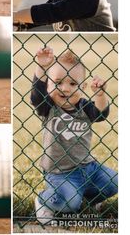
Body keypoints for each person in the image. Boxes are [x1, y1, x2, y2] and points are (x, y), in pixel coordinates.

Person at [31, 46, 118, 224]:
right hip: (60, 172)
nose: (65, 88)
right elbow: (36, 97)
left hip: (89, 168)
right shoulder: (48, 107)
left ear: (83, 86)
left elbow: (101, 114)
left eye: (73, 84)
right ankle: (43, 201)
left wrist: (100, 95)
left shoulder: (84, 107)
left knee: (115, 181)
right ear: (48, 84)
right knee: (70, 203)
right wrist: (41, 67)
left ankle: (91, 198)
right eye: (58, 82)